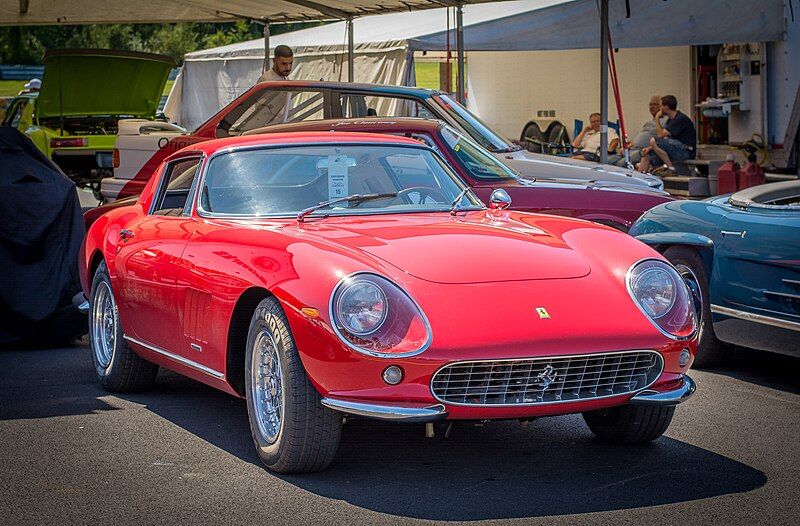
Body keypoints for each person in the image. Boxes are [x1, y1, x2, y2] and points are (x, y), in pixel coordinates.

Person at [637, 94, 697, 176]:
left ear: (666, 107)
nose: (660, 109)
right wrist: (649, 148)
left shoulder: (680, 119)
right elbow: (665, 138)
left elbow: (660, 135)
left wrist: (657, 118)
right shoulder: (670, 120)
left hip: (686, 151)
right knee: (647, 154)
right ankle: (640, 178)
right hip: (675, 149)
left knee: (653, 140)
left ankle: (671, 169)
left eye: (661, 106)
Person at [613, 95, 667, 166]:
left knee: (620, 164)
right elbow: (637, 139)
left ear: (662, 107)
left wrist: (657, 117)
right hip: (632, 149)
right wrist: (626, 147)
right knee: (608, 161)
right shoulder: (648, 123)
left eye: (655, 104)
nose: (652, 107)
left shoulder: (665, 121)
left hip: (643, 151)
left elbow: (662, 137)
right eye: (650, 104)